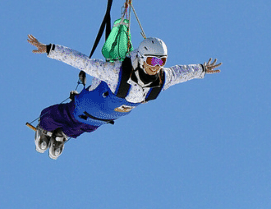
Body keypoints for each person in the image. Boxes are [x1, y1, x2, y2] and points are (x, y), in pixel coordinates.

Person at [27, 34, 221, 159]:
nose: (157, 66)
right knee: (63, 115)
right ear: (143, 57)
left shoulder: (161, 80)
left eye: (162, 61)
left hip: (101, 119)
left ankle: (64, 136)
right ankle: (44, 127)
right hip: (86, 105)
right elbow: (82, 62)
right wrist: (50, 49)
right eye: (153, 60)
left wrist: (201, 69)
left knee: (85, 127)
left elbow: (180, 72)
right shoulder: (117, 72)